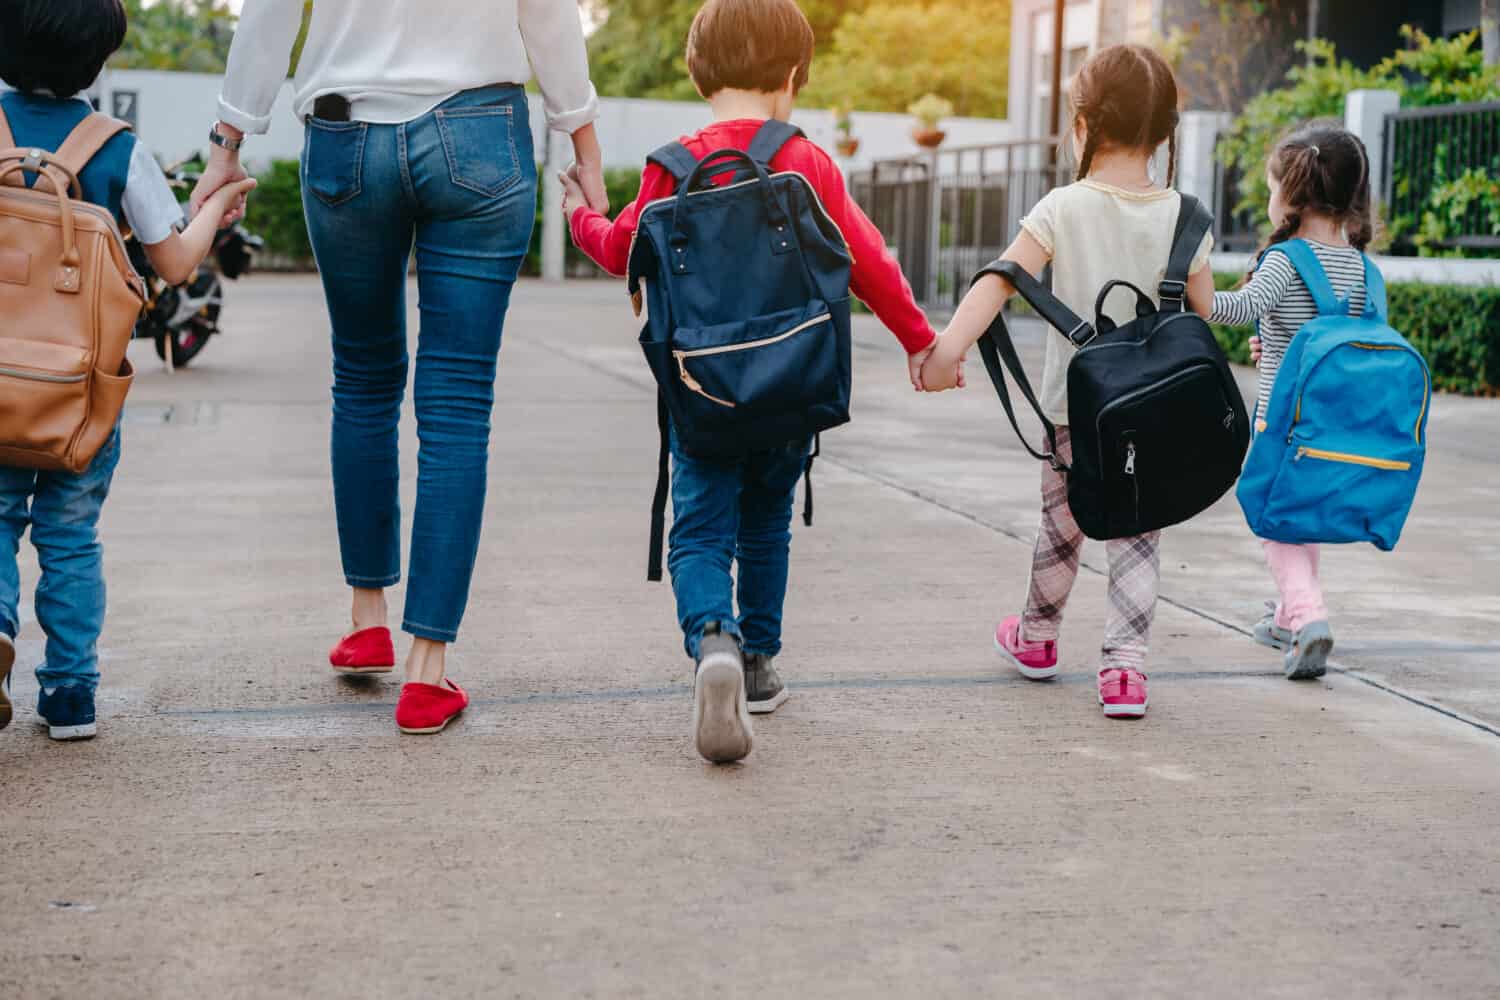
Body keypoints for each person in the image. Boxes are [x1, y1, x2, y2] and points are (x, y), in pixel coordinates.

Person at [193, 0, 607, 735]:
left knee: (363, 380)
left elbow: (270, 14)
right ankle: (426, 671)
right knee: (455, 403)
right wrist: (584, 144)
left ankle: (367, 619)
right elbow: (545, 14)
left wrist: (227, 142)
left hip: (346, 131)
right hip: (481, 133)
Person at [560, 0, 938, 761]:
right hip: (792, 387)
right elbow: (870, 261)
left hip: (702, 393)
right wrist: (922, 342)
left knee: (699, 531)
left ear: (699, 74)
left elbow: (619, 250)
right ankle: (759, 666)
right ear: (793, 76)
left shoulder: (673, 165)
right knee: (767, 523)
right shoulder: (806, 161)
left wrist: (578, 214)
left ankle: (714, 642)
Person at [920, 44, 1214, 719]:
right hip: (1157, 416)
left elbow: (1001, 278)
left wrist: (947, 350)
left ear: (1082, 125)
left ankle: (1038, 638)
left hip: (1074, 413)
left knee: (1062, 527)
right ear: (1168, 132)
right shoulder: (1185, 217)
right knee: (1139, 534)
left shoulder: (1061, 206)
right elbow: (1203, 312)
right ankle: (1125, 675)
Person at [0, 0, 256, 740]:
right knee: (71, 537)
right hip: (80, 393)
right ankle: (71, 694)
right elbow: (175, 264)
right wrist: (217, 206)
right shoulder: (116, 148)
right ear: (99, 60)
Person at [1204, 122, 1378, 678]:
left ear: (1291, 194)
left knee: (1274, 520)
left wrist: (1194, 282)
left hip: (1280, 422)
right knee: (1301, 515)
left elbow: (1234, 310)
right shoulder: (1361, 266)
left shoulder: (1284, 260)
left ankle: (1309, 616)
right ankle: (1285, 615)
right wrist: (1275, 340)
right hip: (1335, 422)